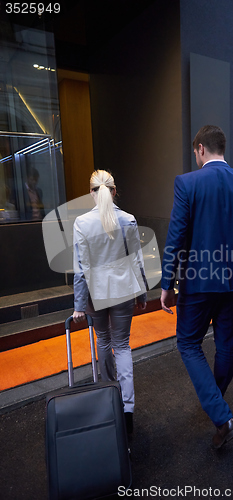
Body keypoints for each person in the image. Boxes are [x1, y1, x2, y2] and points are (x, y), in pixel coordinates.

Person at [161, 125, 233, 449]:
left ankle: (221, 414)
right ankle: (217, 401)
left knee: (188, 344)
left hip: (198, 282)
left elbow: (177, 237)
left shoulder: (187, 183)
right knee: (226, 341)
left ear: (200, 148)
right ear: (221, 148)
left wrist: (167, 284)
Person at [73, 169, 148, 435]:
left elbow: (80, 270)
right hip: (124, 291)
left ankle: (109, 397)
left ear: (91, 192)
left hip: (95, 295)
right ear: (114, 191)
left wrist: (79, 306)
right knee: (123, 346)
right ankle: (128, 409)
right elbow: (137, 260)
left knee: (103, 341)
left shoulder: (81, 223)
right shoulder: (128, 220)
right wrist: (142, 294)